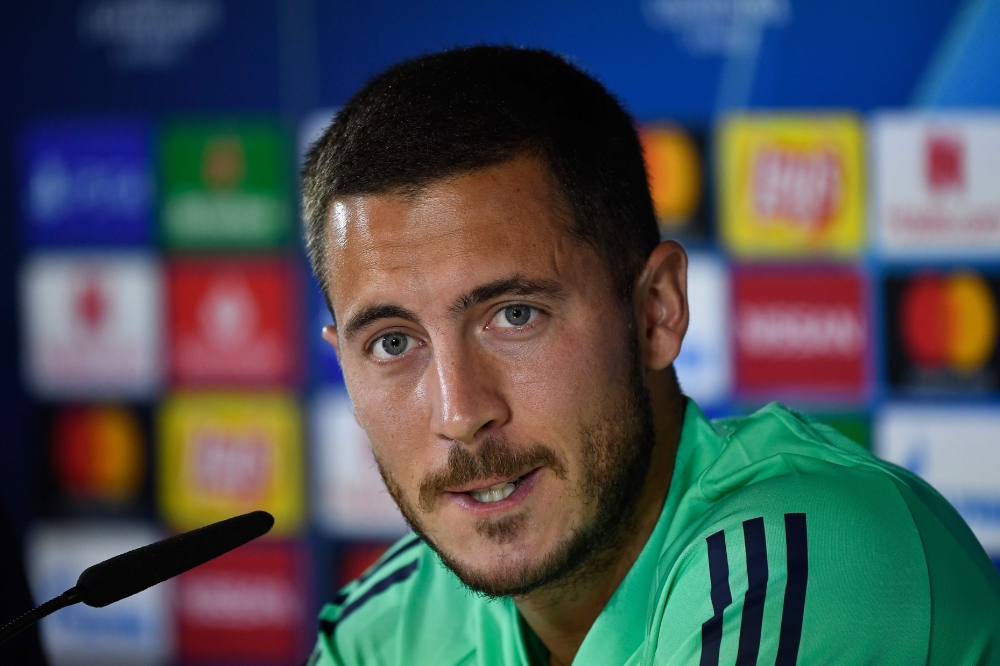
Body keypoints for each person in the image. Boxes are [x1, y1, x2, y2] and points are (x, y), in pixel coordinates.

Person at [300, 46, 1000, 666]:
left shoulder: (816, 561)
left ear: (655, 312)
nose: (459, 414)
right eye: (392, 343)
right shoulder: (381, 631)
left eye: (515, 316)